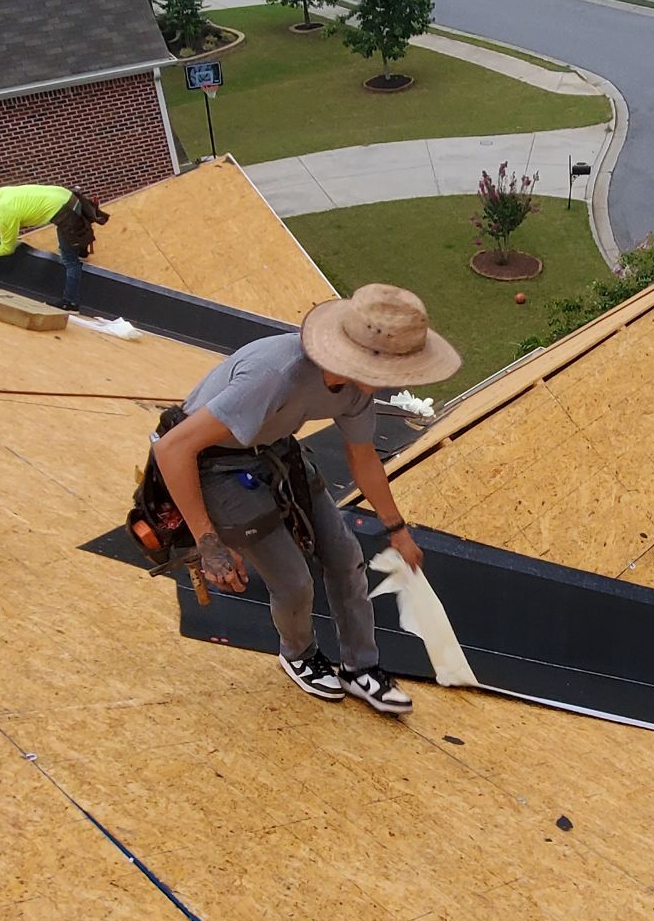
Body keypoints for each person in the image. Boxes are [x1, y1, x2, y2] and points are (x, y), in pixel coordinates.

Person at [153, 284, 459, 712]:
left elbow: (363, 454)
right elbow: (172, 449)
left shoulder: (357, 389)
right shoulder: (274, 374)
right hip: (214, 466)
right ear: (360, 359)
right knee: (294, 582)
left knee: (344, 556)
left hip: (275, 452)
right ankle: (298, 654)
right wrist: (210, 544)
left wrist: (397, 529)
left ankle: (359, 668)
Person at [0, 183, 108, 309]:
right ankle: (79, 247)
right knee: (72, 236)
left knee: (70, 261)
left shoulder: (5, 214)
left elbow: (7, 248)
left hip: (64, 211)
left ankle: (71, 303)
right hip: (66, 195)